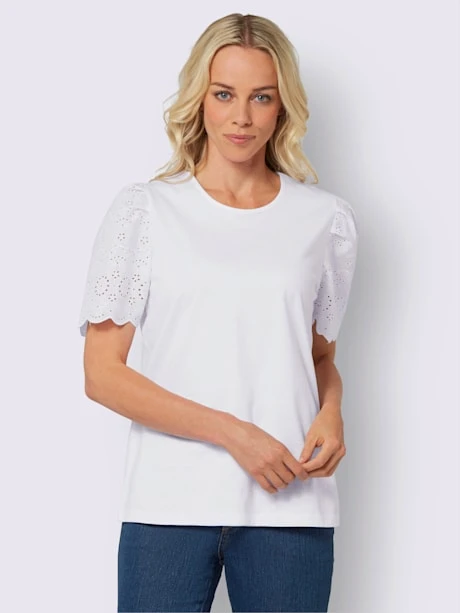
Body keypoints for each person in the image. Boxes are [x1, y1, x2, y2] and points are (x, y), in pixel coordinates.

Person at [78, 12, 359, 613]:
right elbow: (102, 374)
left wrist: (332, 411)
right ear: (198, 99)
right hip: (169, 503)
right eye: (224, 94)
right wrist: (235, 434)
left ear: (282, 107)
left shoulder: (324, 221)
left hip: (291, 503)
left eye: (262, 97)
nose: (242, 117)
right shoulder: (146, 212)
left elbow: (319, 357)